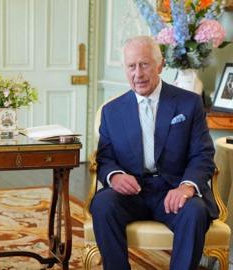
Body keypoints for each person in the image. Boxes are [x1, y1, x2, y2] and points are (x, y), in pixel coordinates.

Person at [90, 36, 217, 270]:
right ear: (125, 69)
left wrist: (186, 187)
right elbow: (105, 158)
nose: (138, 73)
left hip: (174, 191)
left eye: (144, 64)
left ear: (160, 66)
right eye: (131, 66)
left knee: (195, 211)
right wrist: (115, 176)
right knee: (102, 203)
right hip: (132, 194)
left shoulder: (189, 104)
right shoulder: (112, 111)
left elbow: (203, 154)